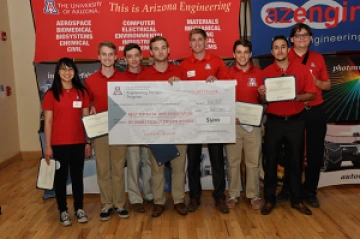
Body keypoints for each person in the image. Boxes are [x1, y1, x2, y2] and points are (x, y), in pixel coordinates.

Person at [258, 35, 317, 216]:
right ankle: (269, 199)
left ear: (288, 49)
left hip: (295, 122)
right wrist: (261, 95)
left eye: (283, 47)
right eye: (276, 47)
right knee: (271, 162)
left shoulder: (301, 69)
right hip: (274, 122)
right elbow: (263, 102)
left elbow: (312, 94)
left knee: (296, 162)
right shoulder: (265, 72)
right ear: (272, 52)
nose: (280, 50)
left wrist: (297, 97)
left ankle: (297, 200)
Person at [276, 24, 331, 208]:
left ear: (310, 38)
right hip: (294, 112)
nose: (301, 38)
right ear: (291, 39)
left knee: (314, 153)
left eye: (305, 35)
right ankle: (288, 189)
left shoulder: (318, 58)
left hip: (315, 110)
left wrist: (314, 81)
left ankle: (310, 192)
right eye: (297, 35)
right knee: (291, 153)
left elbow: (328, 85)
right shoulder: (285, 56)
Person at [137, 36, 188, 217]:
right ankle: (159, 201)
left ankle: (179, 200)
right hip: (155, 129)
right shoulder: (143, 75)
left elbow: (189, 101)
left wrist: (181, 87)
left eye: (163, 48)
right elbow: (140, 105)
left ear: (168, 50)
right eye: (156, 48)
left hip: (178, 127)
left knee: (178, 167)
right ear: (150, 52)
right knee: (156, 168)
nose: (160, 51)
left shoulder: (180, 72)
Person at [180, 28, 229, 214]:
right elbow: (180, 94)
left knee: (217, 160)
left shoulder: (216, 61)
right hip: (193, 120)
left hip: (214, 118)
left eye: (200, 39)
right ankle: (194, 196)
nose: (197, 43)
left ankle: (219, 197)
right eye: (194, 40)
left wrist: (217, 81)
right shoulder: (184, 65)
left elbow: (228, 86)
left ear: (206, 41)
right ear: (190, 43)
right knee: (192, 161)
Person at [43, 57, 91, 226]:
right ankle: (63, 211)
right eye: (63, 69)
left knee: (78, 177)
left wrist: (88, 142)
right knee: (61, 178)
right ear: (58, 72)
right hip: (58, 144)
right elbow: (47, 122)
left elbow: (86, 120)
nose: (67, 72)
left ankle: (79, 208)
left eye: (70, 69)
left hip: (78, 142)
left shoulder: (82, 92)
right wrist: (48, 146)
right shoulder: (51, 94)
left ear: (75, 72)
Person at [85, 41, 129, 221]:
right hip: (100, 131)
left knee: (118, 168)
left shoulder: (124, 78)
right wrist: (92, 106)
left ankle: (119, 204)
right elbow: (88, 105)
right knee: (103, 169)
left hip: (120, 128)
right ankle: (106, 204)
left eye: (111, 54)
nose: (108, 57)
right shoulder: (90, 80)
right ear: (98, 56)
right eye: (104, 54)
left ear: (116, 56)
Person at [225, 39, 263, 210]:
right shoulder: (225, 74)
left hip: (253, 126)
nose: (242, 55)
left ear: (250, 54)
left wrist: (263, 95)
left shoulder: (259, 74)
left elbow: (263, 101)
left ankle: (253, 194)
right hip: (232, 125)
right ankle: (233, 194)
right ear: (234, 54)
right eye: (239, 52)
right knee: (233, 162)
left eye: (246, 52)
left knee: (253, 162)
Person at [122, 43, 153, 213]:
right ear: (125, 59)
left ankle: (149, 194)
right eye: (129, 56)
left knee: (148, 162)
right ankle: (135, 198)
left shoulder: (150, 74)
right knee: (133, 163)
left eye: (136, 55)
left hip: (148, 126)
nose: (134, 59)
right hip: (130, 128)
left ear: (142, 56)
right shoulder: (120, 79)